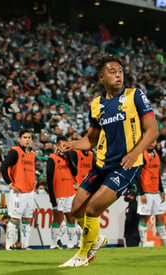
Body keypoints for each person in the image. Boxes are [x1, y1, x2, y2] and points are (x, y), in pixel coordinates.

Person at [57, 55, 158, 267]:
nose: (118, 74)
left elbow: (152, 131)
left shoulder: (135, 96)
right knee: (76, 210)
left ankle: (83, 255)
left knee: (93, 208)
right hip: (102, 164)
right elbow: (91, 140)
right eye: (112, 71)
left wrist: (135, 153)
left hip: (126, 165)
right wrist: (72, 144)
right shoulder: (96, 105)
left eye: (120, 71)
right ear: (102, 77)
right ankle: (96, 239)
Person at [0, 128, 36, 250]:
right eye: (25, 137)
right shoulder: (15, 152)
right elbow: (4, 167)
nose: (27, 140)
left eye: (29, 138)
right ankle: (9, 245)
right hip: (18, 192)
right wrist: (10, 183)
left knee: (27, 219)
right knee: (14, 218)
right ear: (20, 139)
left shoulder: (32, 154)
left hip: (29, 192)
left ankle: (25, 245)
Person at [47, 136, 78, 249]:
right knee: (58, 218)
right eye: (62, 145)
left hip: (69, 192)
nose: (65, 147)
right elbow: (49, 180)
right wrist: (52, 198)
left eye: (66, 145)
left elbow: (75, 172)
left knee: (71, 218)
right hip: (58, 193)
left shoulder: (69, 157)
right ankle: (53, 243)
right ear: (57, 146)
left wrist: (69, 157)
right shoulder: (51, 158)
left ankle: (71, 244)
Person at [136, 140, 166, 246]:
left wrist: (161, 191)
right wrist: (141, 193)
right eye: (150, 142)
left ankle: (164, 242)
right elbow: (137, 175)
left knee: (160, 216)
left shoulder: (156, 156)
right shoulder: (142, 155)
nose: (151, 143)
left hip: (156, 192)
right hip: (146, 191)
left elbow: (157, 174)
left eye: (153, 142)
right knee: (145, 217)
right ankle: (143, 242)